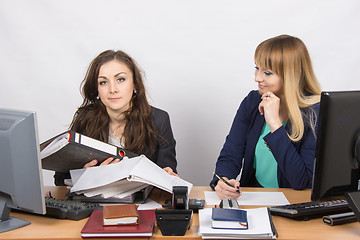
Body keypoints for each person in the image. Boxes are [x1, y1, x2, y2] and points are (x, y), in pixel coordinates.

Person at [210, 35, 322, 199]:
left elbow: (302, 181)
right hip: (255, 199)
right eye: (257, 68)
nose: (257, 78)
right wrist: (223, 180)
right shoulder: (252, 101)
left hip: (294, 203)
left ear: (292, 74)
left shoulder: (315, 112)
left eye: (267, 72)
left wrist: (275, 125)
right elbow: (230, 154)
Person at [54, 50, 177, 186]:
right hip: (96, 204)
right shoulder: (85, 119)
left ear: (135, 84)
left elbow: (169, 172)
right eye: (103, 82)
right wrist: (83, 176)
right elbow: (59, 179)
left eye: (120, 79)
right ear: (97, 90)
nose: (112, 89)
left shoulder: (159, 120)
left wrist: (167, 176)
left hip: (140, 204)